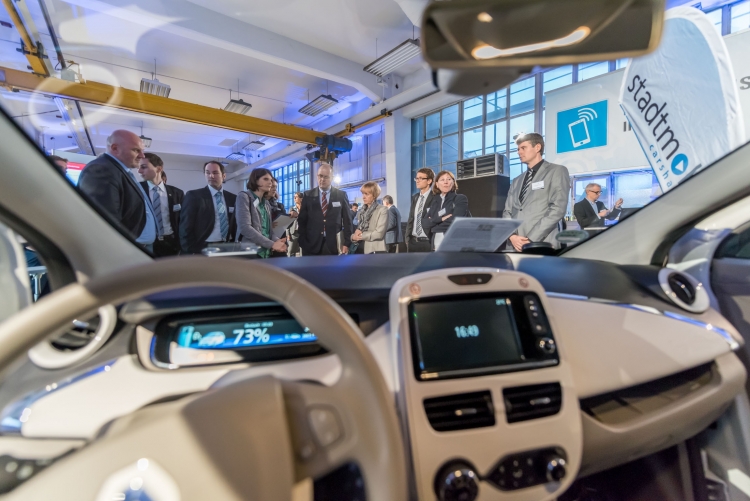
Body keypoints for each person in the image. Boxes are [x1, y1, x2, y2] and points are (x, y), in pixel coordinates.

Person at [78, 130, 158, 251]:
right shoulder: (101, 169)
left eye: (142, 151)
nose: (142, 156)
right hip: (124, 250)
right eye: (136, 150)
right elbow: (105, 223)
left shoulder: (119, 170)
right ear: (115, 148)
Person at [502, 133, 570, 252]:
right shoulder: (517, 180)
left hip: (541, 243)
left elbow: (557, 209)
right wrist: (512, 236)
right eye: (518, 149)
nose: (519, 152)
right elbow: (507, 211)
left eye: (523, 148)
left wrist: (530, 239)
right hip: (514, 245)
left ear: (537, 147)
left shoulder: (557, 171)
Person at [179, 161, 237, 254]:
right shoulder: (194, 196)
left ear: (224, 176)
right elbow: (185, 227)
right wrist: (189, 251)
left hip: (228, 245)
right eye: (207, 173)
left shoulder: (233, 198)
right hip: (204, 246)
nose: (211, 176)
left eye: (215, 173)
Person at [297, 163, 352, 256]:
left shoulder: (341, 195)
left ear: (332, 177)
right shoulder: (308, 195)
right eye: (320, 176)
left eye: (326, 177)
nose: (322, 179)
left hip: (333, 245)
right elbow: (302, 220)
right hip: (311, 245)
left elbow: (347, 221)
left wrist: (347, 242)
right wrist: (302, 241)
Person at [138, 152, 183, 257]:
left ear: (159, 169)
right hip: (146, 243)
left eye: (143, 167)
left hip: (171, 243)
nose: (139, 171)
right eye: (139, 167)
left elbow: (182, 220)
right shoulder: (136, 189)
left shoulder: (177, 193)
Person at [235, 168, 288, 259]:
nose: (270, 183)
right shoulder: (244, 196)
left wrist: (278, 241)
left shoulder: (266, 203)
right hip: (250, 252)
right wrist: (272, 244)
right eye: (265, 179)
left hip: (265, 252)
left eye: (271, 180)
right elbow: (245, 228)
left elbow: (269, 231)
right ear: (255, 180)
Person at [422, 170, 469, 250]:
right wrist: (441, 219)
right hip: (435, 243)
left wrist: (433, 226)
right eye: (442, 180)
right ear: (437, 184)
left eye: (449, 179)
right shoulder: (434, 202)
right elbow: (424, 223)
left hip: (454, 243)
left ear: (453, 182)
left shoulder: (460, 198)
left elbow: (455, 221)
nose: (446, 182)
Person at [351, 182, 388, 254]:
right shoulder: (361, 211)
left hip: (374, 249)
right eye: (363, 194)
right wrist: (353, 237)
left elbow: (379, 233)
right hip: (359, 248)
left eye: (366, 194)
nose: (363, 197)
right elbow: (356, 230)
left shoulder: (382, 210)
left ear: (374, 195)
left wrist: (361, 235)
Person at [405, 168, 435, 252]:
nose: (417, 181)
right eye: (417, 178)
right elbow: (411, 218)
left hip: (428, 242)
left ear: (429, 181)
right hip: (413, 242)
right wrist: (407, 238)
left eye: (421, 178)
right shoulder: (415, 197)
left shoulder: (435, 197)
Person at [287, 192, 303, 257]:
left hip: (303, 233)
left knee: (303, 252)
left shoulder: (305, 208)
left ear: (301, 198)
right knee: (291, 251)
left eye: (296, 197)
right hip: (294, 233)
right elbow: (288, 222)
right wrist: (288, 234)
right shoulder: (292, 209)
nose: (294, 198)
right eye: (294, 197)